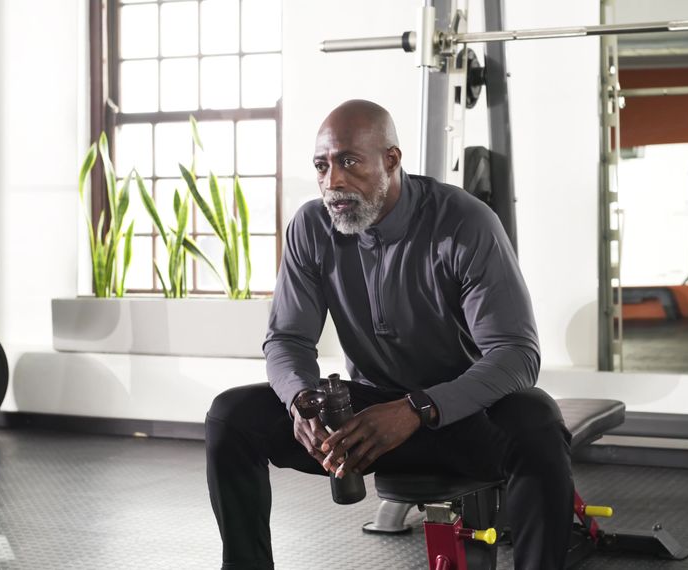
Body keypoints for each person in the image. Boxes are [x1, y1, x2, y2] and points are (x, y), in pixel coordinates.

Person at [205, 100, 573, 570]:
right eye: (322, 166)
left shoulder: (464, 222)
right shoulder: (312, 227)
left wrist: (418, 408)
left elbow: (516, 355)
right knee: (232, 416)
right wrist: (301, 400)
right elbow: (287, 340)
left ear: (391, 160)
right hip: (368, 419)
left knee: (537, 419)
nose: (332, 181)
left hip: (460, 417)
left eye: (349, 162)